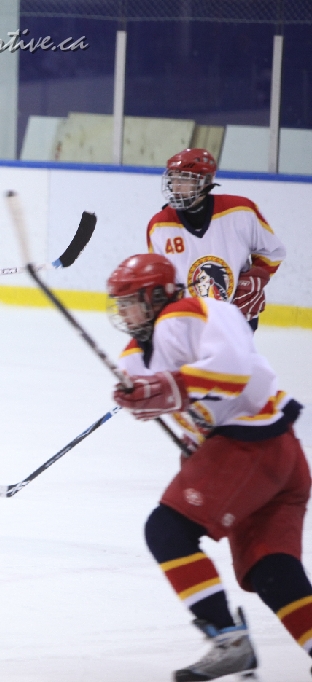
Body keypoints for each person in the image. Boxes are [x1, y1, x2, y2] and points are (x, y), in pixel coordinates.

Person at [107, 253, 310, 681]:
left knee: (167, 530)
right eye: (119, 304)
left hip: (254, 445)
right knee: (271, 569)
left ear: (157, 295)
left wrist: (168, 387)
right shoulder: (134, 354)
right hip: (271, 457)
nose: (123, 313)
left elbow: (233, 374)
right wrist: (141, 399)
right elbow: (168, 399)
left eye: (129, 302)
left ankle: (228, 640)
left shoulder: (193, 311)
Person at [146, 148, 287, 331]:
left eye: (184, 179)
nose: (176, 186)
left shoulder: (241, 211)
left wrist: (255, 278)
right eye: (173, 178)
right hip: (188, 322)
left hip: (237, 317)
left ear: (206, 182)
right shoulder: (159, 226)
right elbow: (161, 279)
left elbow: (272, 252)